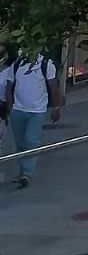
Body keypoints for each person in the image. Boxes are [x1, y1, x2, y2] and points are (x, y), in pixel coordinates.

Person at [2, 49, 62, 188]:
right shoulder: (17, 64)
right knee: (20, 143)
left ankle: (26, 173)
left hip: (37, 111)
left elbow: (53, 87)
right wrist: (10, 108)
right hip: (18, 110)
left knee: (30, 140)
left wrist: (56, 107)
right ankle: (22, 171)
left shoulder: (46, 64)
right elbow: (9, 87)